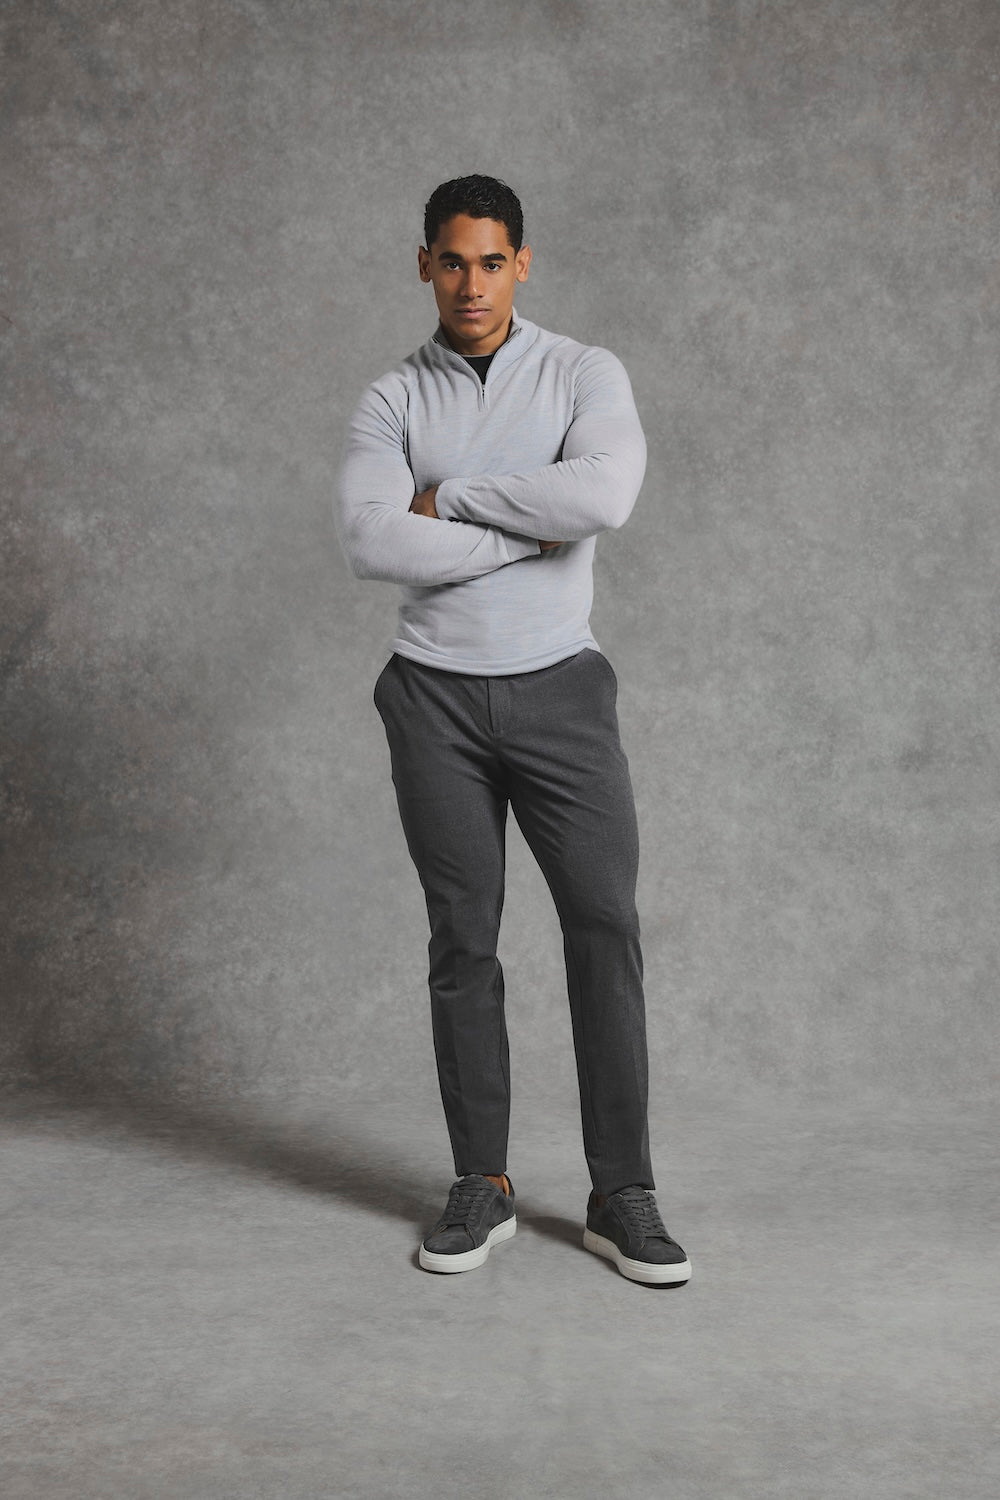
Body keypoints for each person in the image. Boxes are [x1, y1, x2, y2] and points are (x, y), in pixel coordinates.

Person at [337, 174, 690, 1286]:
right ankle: (480, 1183)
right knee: (463, 940)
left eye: (492, 262)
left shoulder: (583, 372)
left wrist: (449, 498)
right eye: (451, 261)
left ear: (521, 264)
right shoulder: (392, 399)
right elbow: (370, 540)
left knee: (604, 927)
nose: (472, 283)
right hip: (433, 699)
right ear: (424, 265)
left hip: (560, 694)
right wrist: (525, 525)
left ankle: (620, 1192)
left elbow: (603, 499)